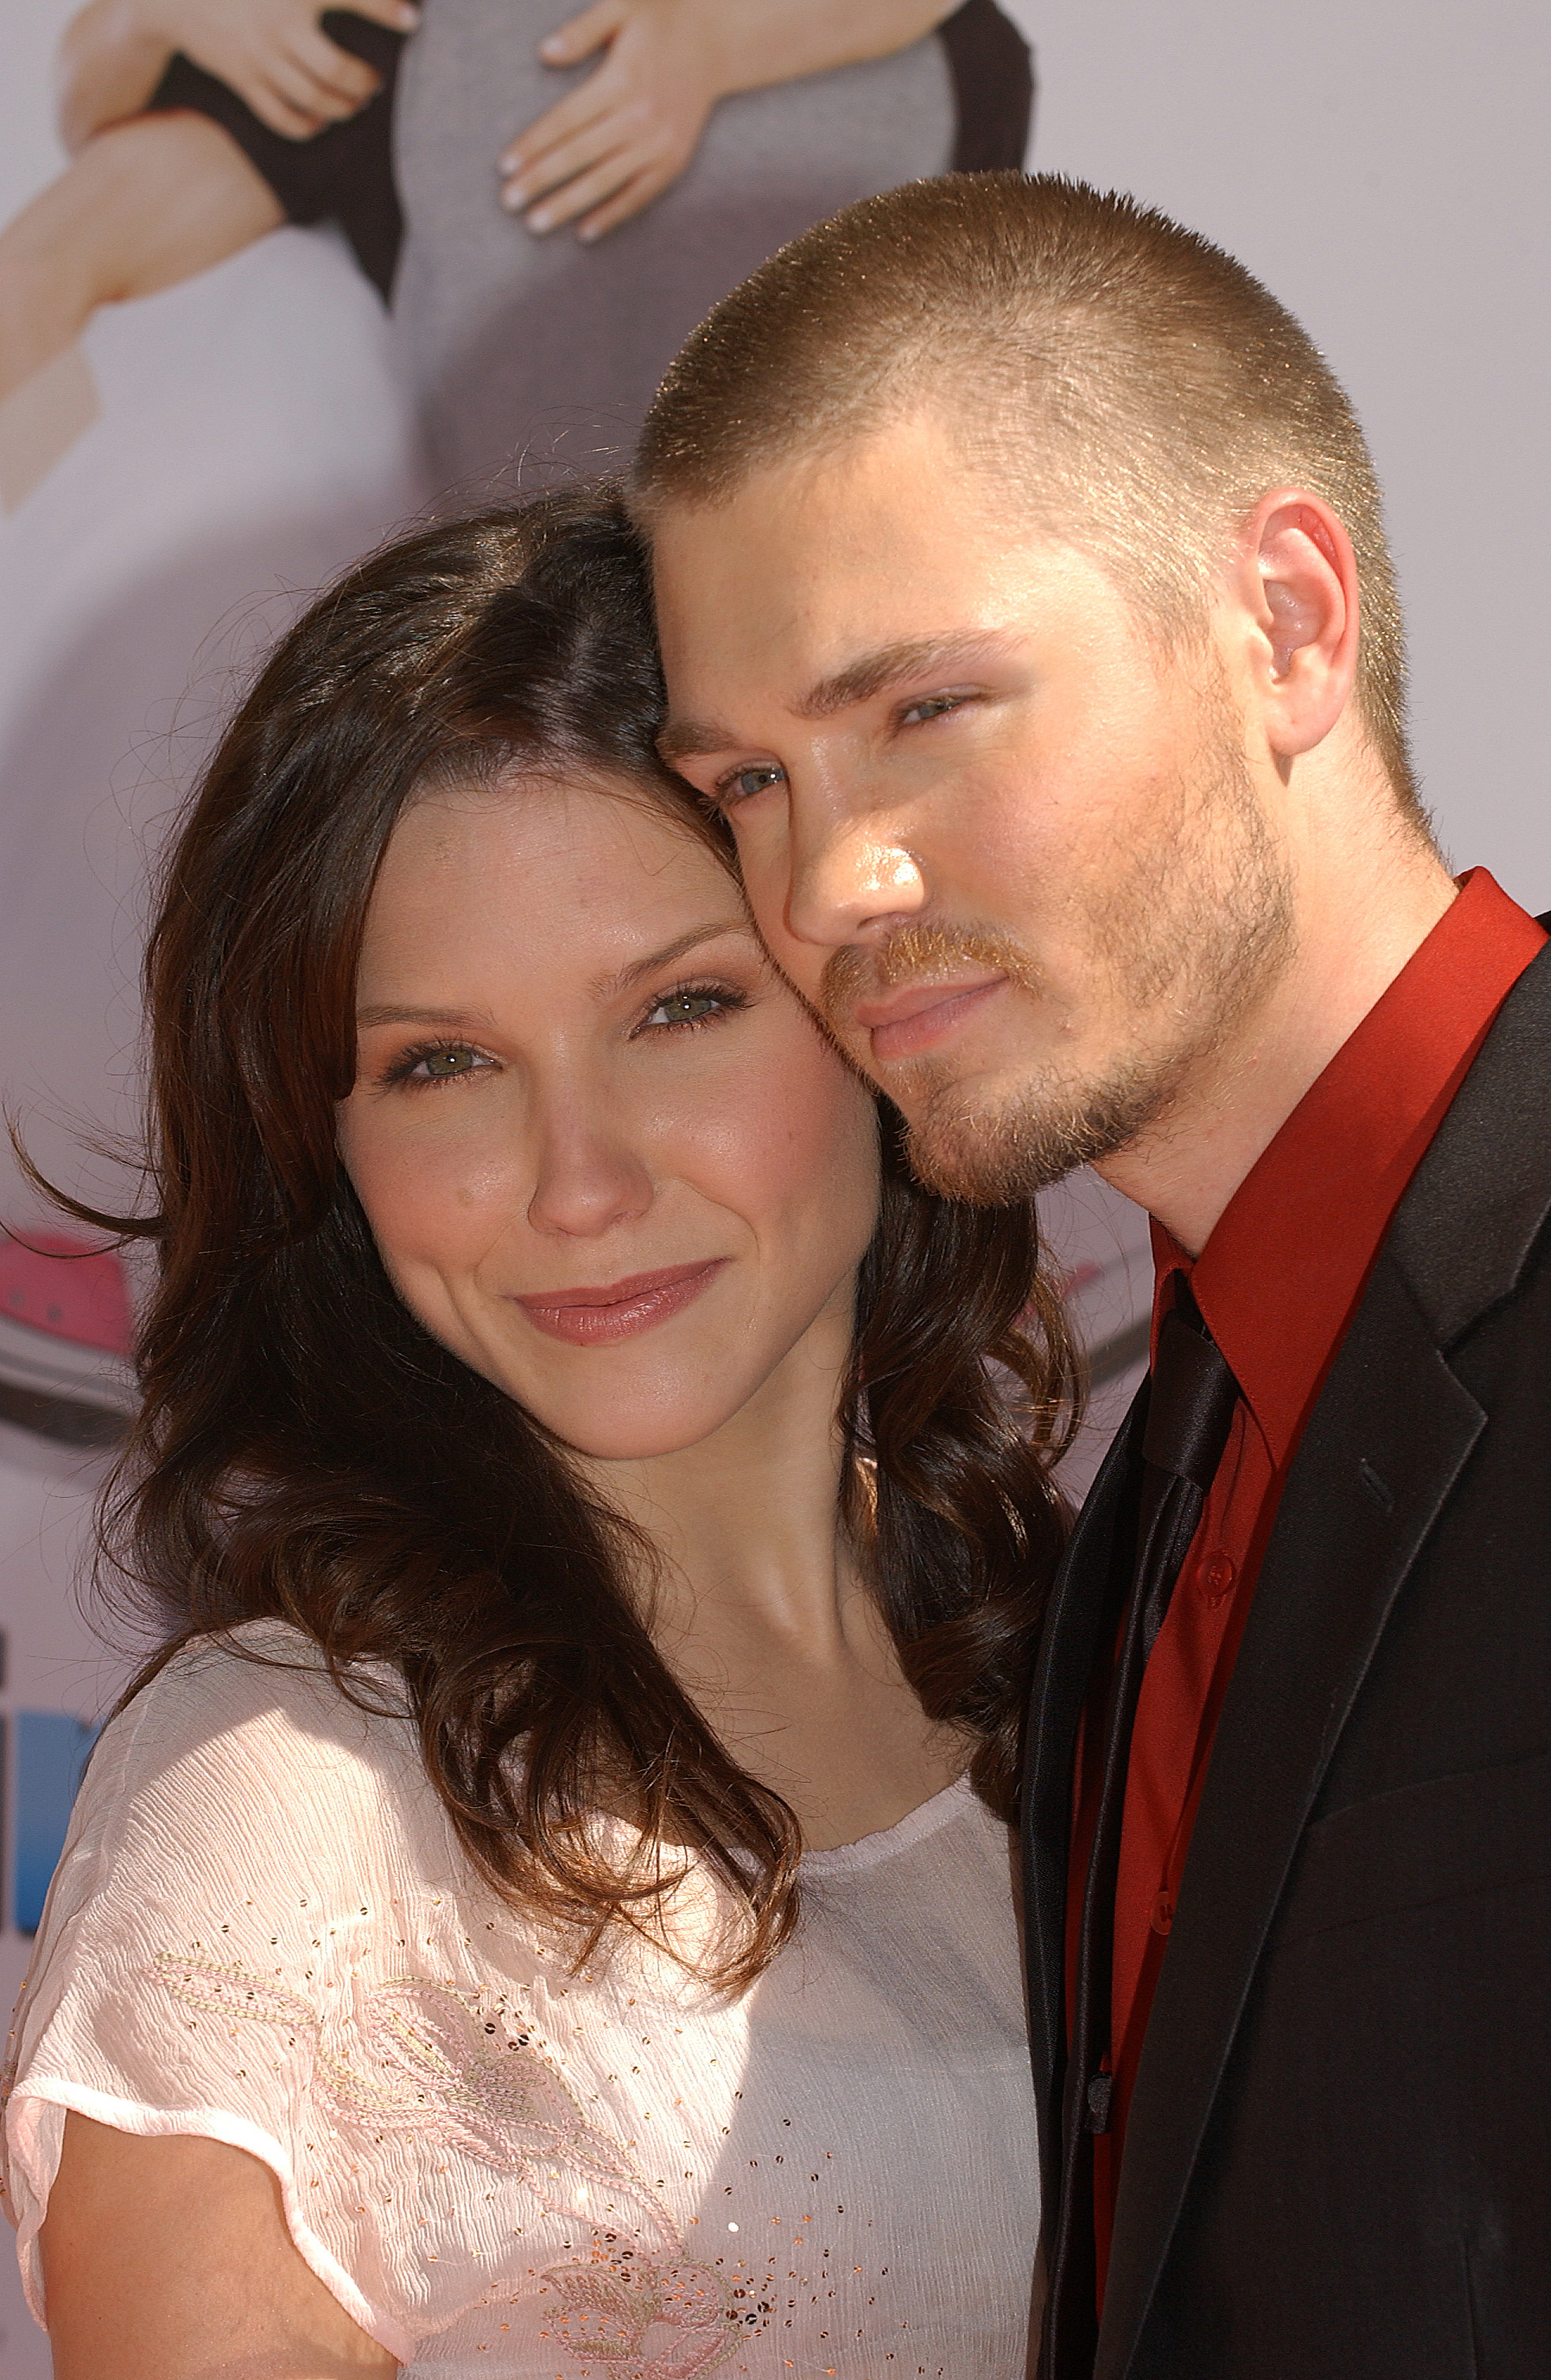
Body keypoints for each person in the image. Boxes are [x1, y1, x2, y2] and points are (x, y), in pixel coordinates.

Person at [0, 489, 1077, 2375]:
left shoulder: (1116, 1678)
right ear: (326, 1150)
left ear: (873, 1009)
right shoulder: (288, 1814)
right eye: (442, 1063)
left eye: (678, 1007)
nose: (576, 1183)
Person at [632, 172, 1551, 2377]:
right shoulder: (1150, 1504)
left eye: (927, 711)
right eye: (749, 779)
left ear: (1288, 626)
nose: (831, 883)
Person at [0, 0, 1032, 503]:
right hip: (516, 671)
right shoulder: (419, 45)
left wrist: (714, 50)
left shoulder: (961, 67)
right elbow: (53, 267)